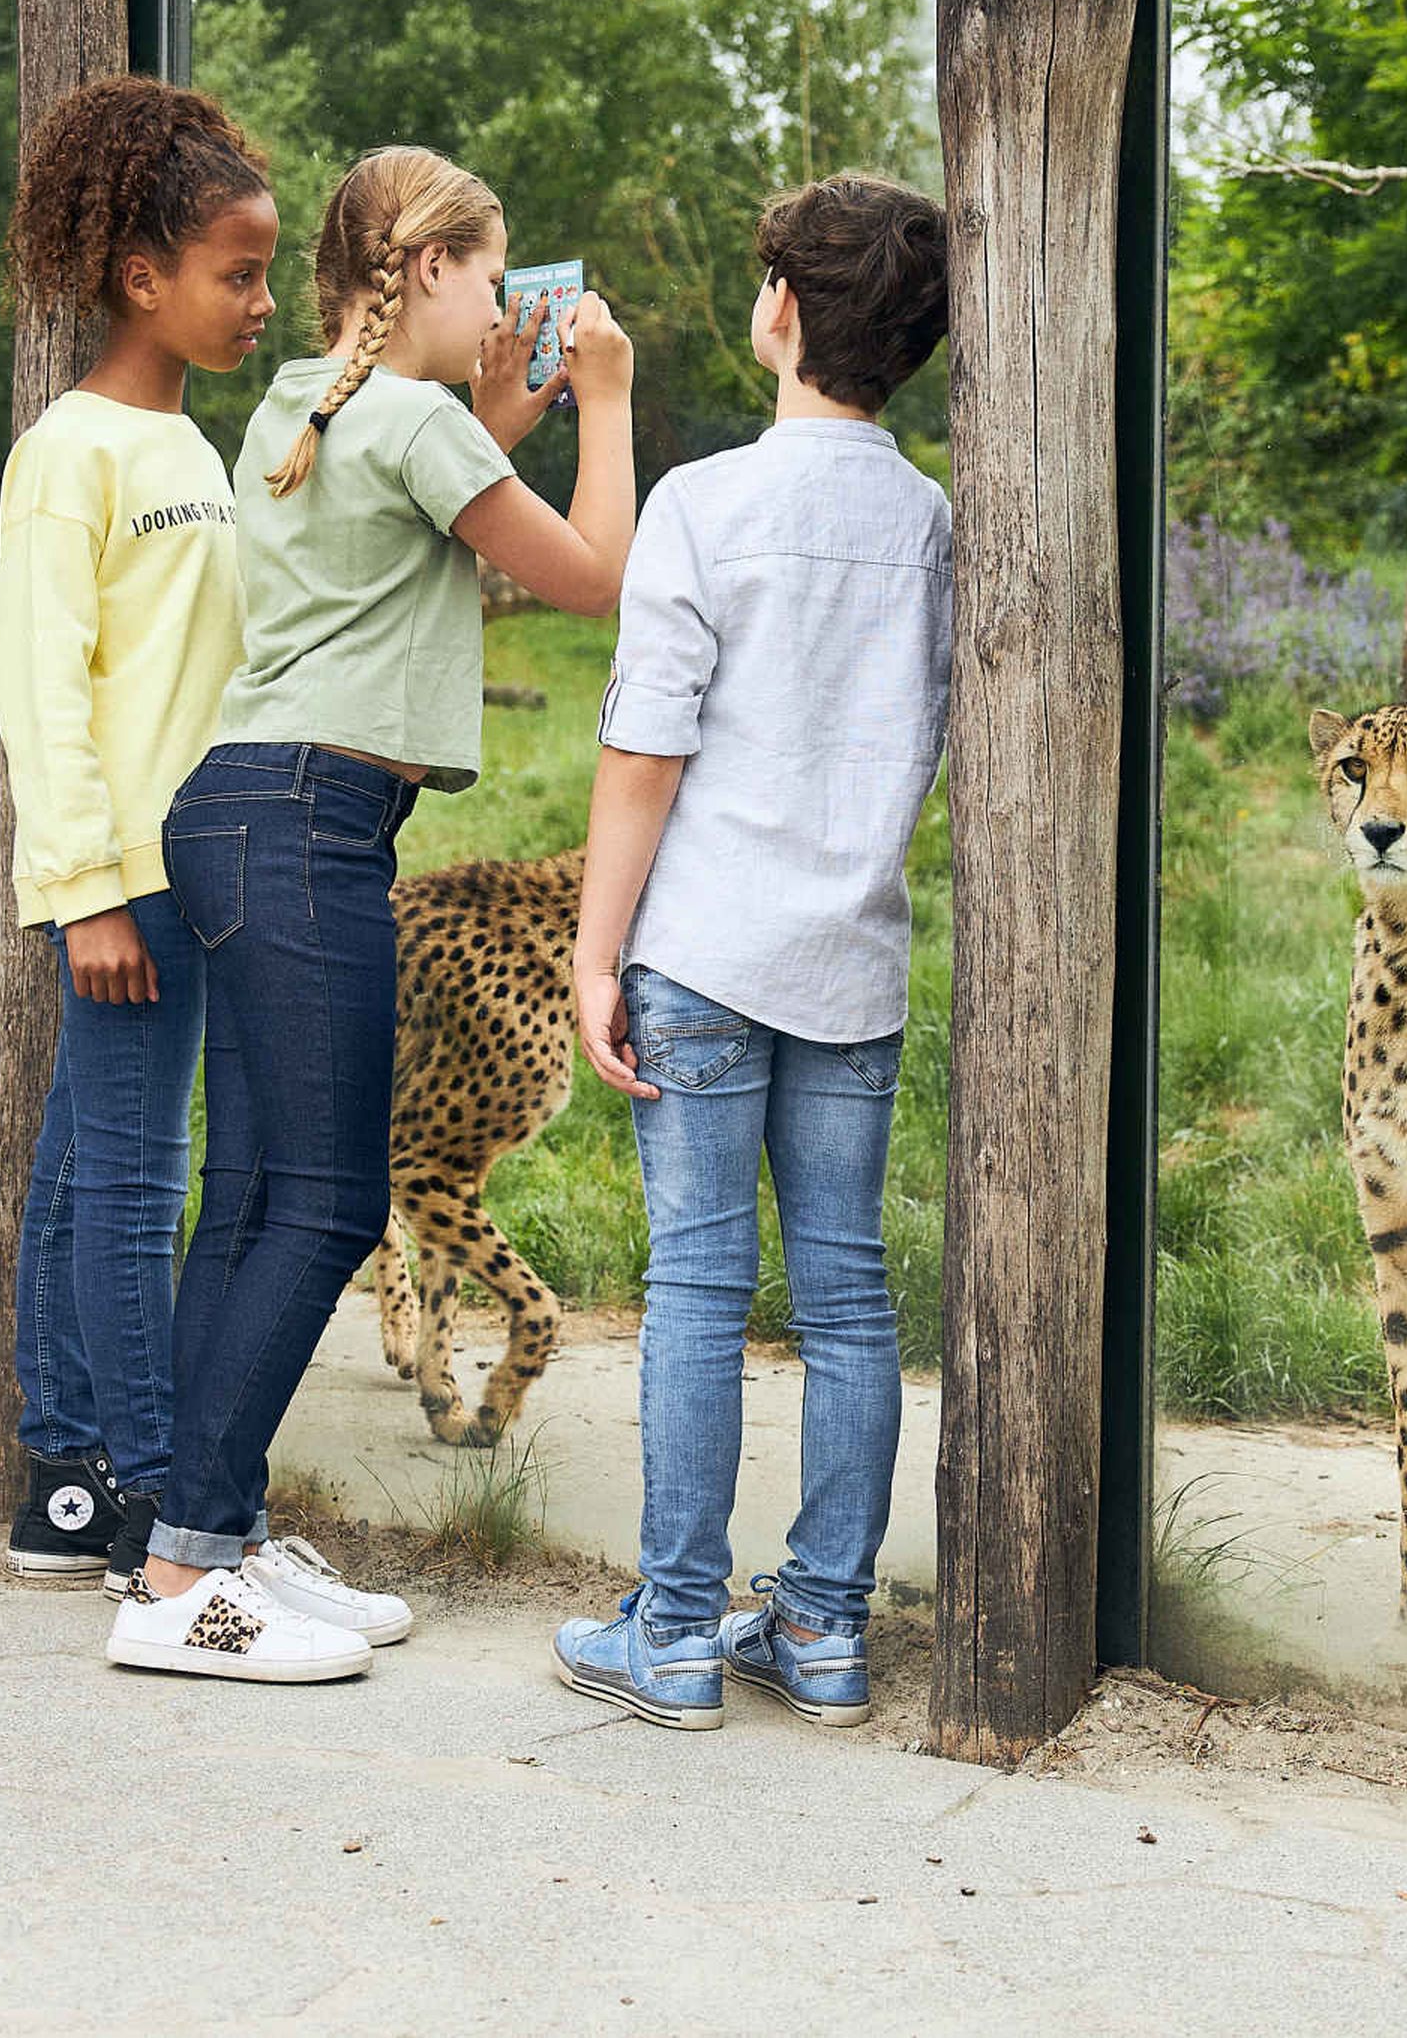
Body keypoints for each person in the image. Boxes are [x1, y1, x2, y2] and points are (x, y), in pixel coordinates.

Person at [109, 145, 640, 1683]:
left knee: (261, 1193)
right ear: (423, 270)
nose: (503, 297)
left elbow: (419, 471)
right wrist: (600, 396)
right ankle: (185, 1581)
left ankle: (201, 1538)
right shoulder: (404, 418)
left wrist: (505, 407)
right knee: (332, 1202)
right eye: (490, 270)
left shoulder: (307, 401)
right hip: (307, 824)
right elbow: (593, 573)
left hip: (240, 814)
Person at [551, 173, 953, 1730]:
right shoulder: (934, 526)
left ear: (782, 309)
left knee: (700, 1288)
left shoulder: (703, 504)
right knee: (849, 1297)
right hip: (852, 967)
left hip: (703, 957)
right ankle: (828, 1632)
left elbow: (645, 751)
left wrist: (597, 957)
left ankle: (671, 1633)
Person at [0, 77, 275, 1594]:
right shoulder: (74, 452)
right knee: (136, 1179)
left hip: (194, 872)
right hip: (131, 888)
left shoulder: (198, 452)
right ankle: (155, 1494)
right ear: (139, 276)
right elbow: (46, 696)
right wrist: (92, 895)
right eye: (237, 274)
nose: (260, 301)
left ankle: (66, 1482)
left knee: (83, 1167)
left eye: (268, 272)